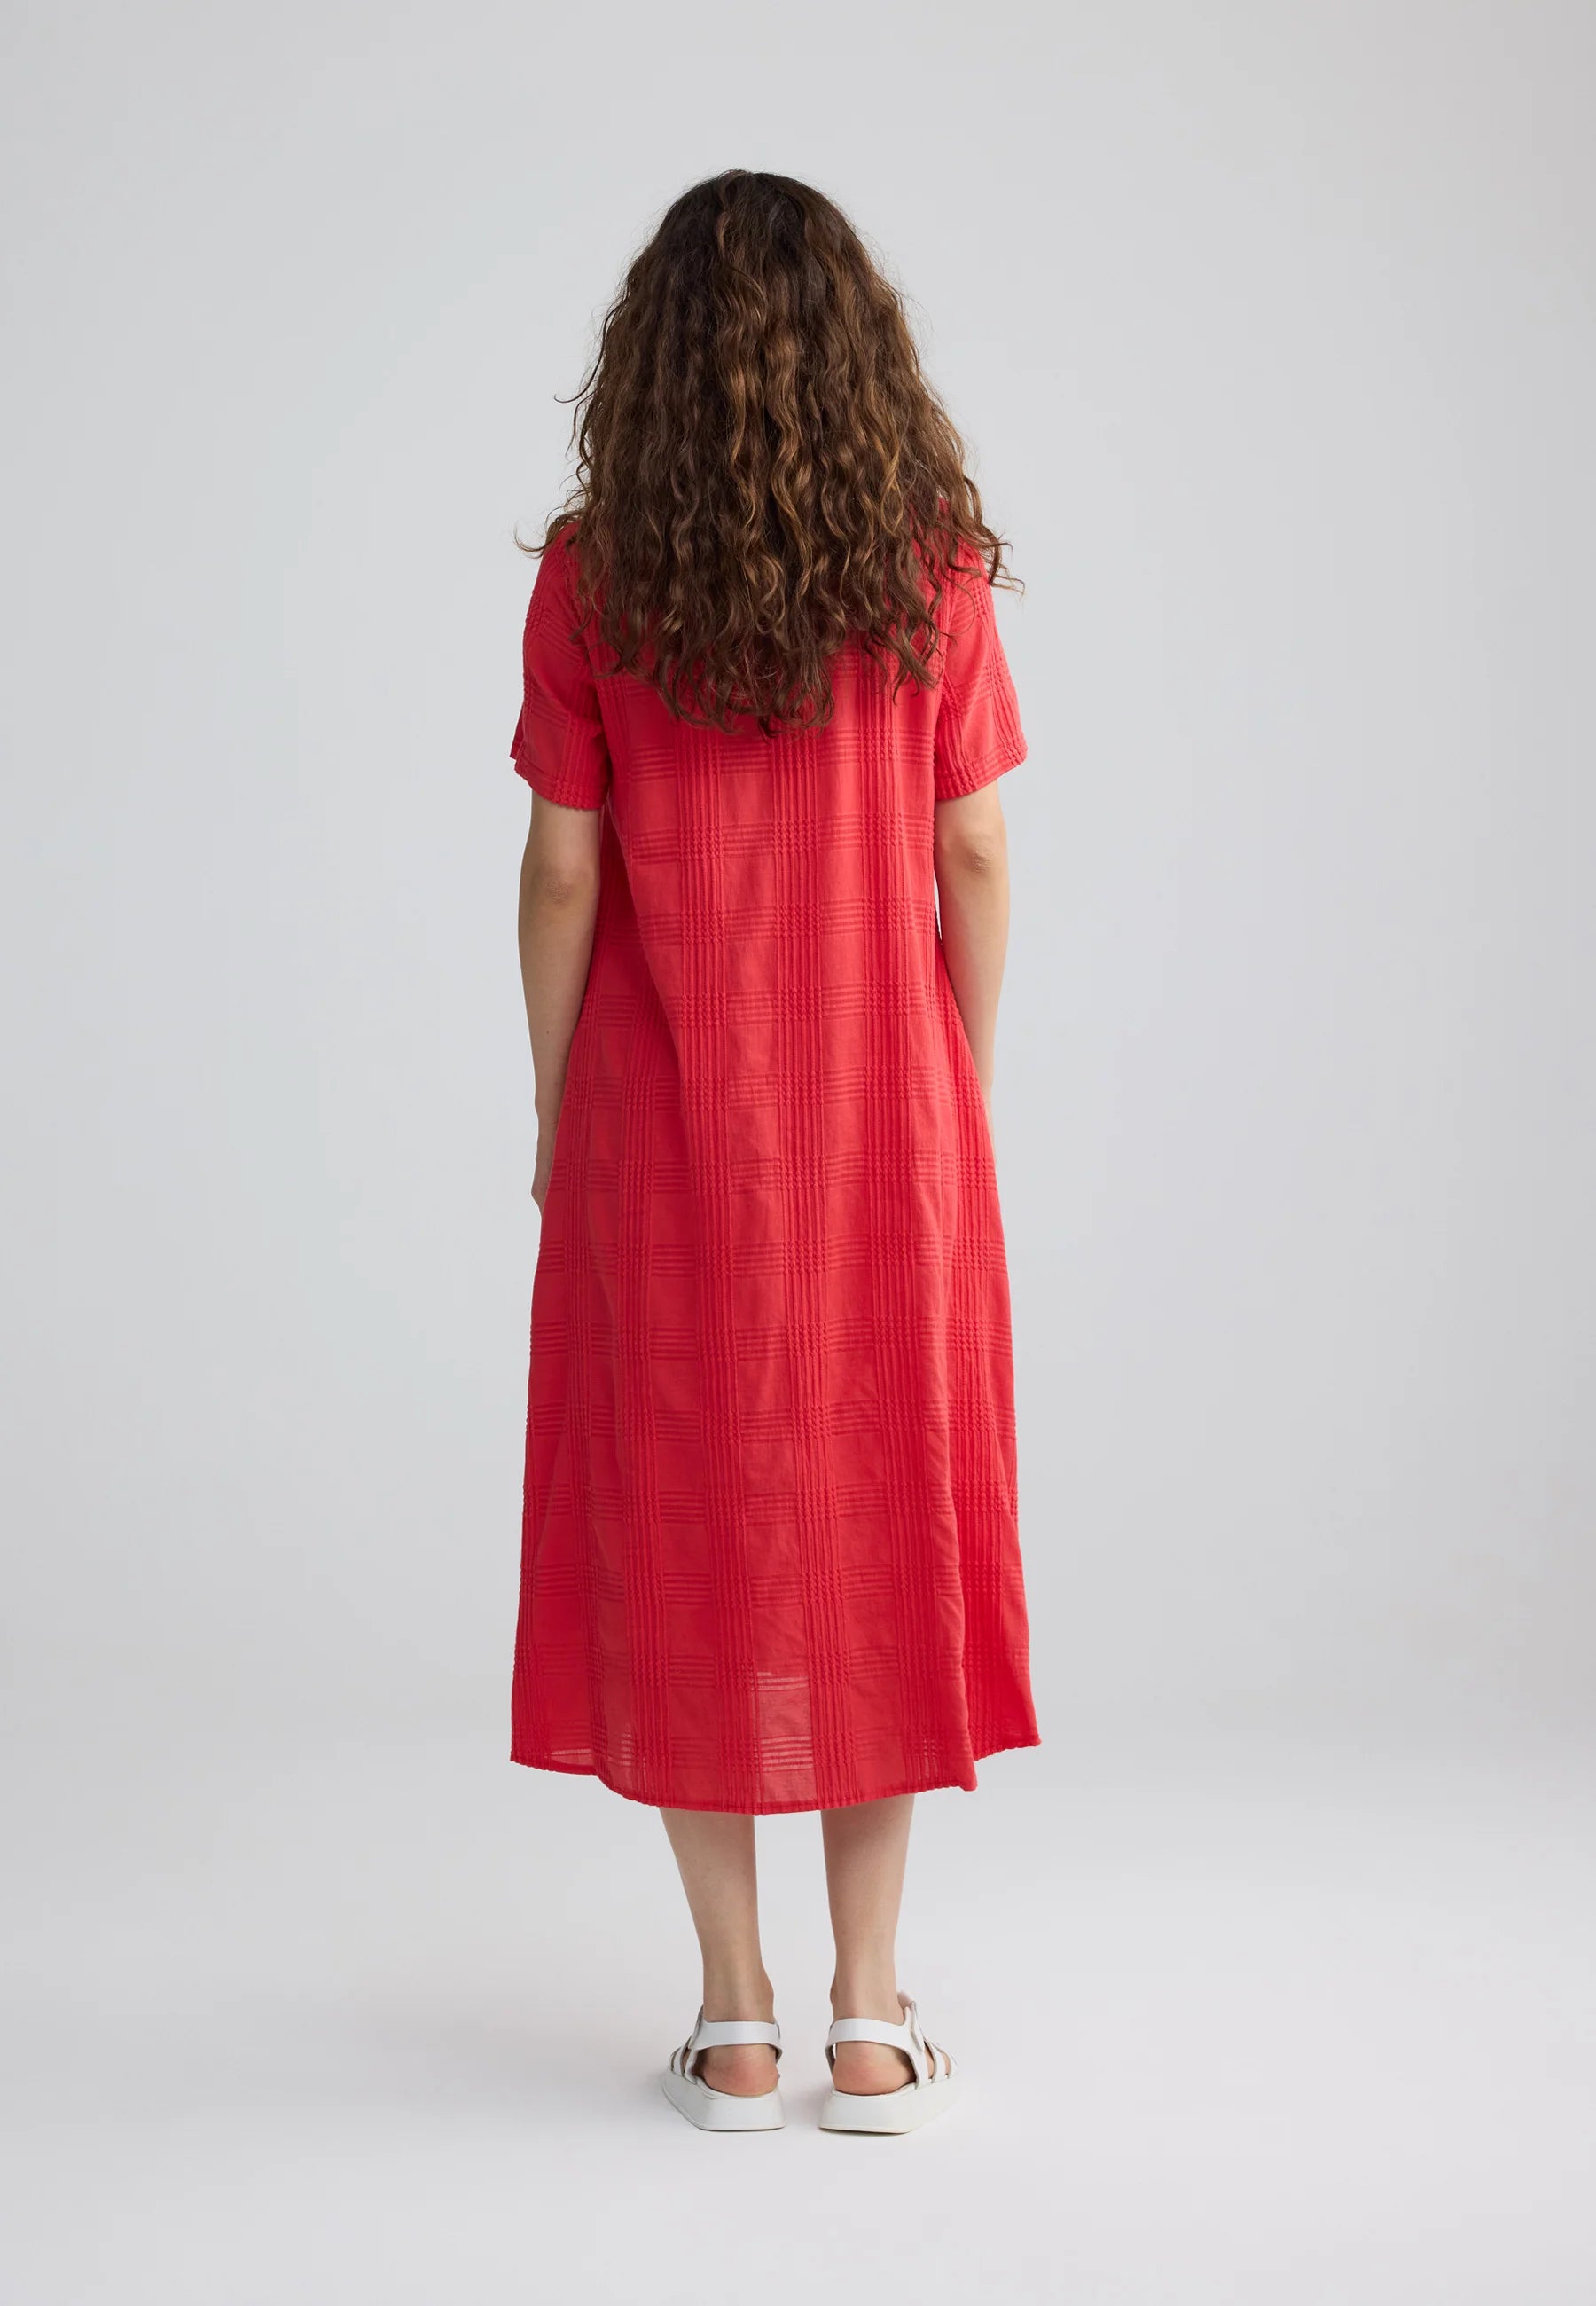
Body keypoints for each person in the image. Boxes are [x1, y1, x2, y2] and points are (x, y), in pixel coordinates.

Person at [507, 169, 1039, 2135]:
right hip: (883, 1121)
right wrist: (961, 1082)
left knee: (687, 1526)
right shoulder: (929, 569)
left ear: (647, 365)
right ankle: (871, 2020)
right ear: (864, 355)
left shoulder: (598, 578)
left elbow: (564, 870)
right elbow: (972, 846)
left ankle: (736, 2022)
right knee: (879, 1512)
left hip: (661, 1130)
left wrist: (556, 1104)